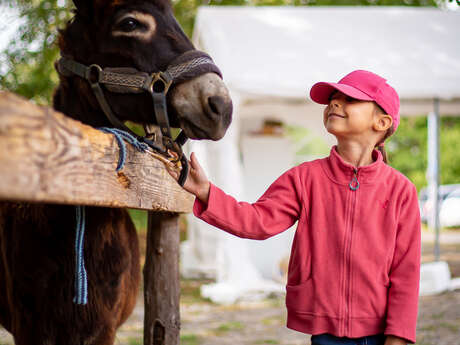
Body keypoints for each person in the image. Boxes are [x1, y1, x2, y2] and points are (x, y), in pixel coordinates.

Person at [166, 70, 421, 345]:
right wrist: (206, 192)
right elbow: (256, 220)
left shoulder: (401, 191)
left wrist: (399, 335)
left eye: (349, 99)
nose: (335, 103)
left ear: (382, 122)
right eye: (333, 98)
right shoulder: (305, 178)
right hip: (325, 331)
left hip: (380, 331)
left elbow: (406, 272)